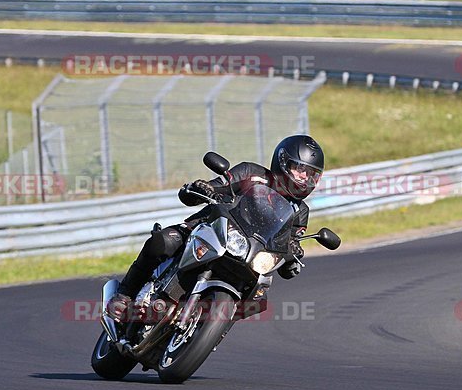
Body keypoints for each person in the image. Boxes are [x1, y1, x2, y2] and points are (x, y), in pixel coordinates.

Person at [107, 134, 325, 322]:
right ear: (283, 162)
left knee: (257, 297)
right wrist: (204, 188)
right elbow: (216, 186)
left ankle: (205, 327)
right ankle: (125, 294)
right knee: (165, 240)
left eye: (310, 174)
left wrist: (294, 254)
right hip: (211, 229)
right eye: (300, 169)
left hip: (248, 254)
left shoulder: (300, 211)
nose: (304, 177)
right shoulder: (252, 172)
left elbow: (291, 243)